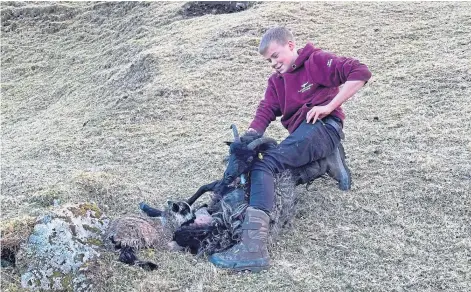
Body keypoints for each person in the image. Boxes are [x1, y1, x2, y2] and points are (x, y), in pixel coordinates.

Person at [209, 27, 372, 272]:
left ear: (291, 46)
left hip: (325, 128)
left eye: (275, 55)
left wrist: (329, 106)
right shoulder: (276, 82)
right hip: (302, 135)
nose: (273, 63)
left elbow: (360, 72)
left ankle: (253, 249)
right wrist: (250, 136)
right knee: (272, 170)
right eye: (268, 60)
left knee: (267, 164)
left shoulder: (315, 61)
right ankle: (326, 160)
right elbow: (266, 109)